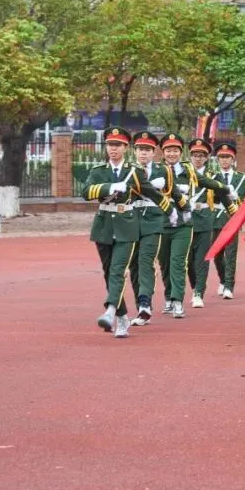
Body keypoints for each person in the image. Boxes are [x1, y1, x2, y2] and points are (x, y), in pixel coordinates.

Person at [81, 127, 175, 339]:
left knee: (118, 270)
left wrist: (172, 211)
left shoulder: (134, 172)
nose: (112, 149)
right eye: (109, 145)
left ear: (125, 148)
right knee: (108, 273)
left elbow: (152, 193)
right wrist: (109, 186)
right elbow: (86, 192)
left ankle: (110, 310)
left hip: (128, 226)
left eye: (117, 145)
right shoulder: (98, 171)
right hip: (104, 226)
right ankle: (122, 316)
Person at [158, 133, 233, 317]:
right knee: (166, 263)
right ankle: (170, 297)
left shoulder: (189, 171)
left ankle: (186, 296)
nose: (172, 153)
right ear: (163, 152)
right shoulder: (156, 170)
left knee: (187, 261)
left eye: (175, 150)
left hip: (190, 221)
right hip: (162, 221)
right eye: (168, 150)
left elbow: (207, 183)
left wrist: (225, 189)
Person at [127, 130, 189, 327]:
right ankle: (141, 304)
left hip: (154, 220)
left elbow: (174, 191)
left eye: (147, 150)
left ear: (154, 152)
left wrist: (184, 209)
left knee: (146, 260)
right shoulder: (127, 170)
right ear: (134, 151)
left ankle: (145, 302)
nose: (143, 153)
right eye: (140, 149)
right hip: (129, 220)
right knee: (133, 265)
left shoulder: (164, 171)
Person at [186, 138, 237, 308]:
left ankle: (199, 292)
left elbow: (223, 197)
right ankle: (195, 287)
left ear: (207, 158)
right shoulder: (181, 174)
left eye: (202, 155)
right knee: (188, 260)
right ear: (190, 155)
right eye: (195, 155)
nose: (198, 158)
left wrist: (236, 217)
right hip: (185, 220)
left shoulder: (213, 177)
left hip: (205, 219)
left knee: (203, 258)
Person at [212, 141, 245, 300]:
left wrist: (238, 199)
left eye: (228, 157)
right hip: (215, 218)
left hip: (232, 218)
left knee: (231, 253)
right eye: (222, 157)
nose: (225, 160)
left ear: (233, 159)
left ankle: (229, 286)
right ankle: (222, 278)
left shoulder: (241, 178)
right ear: (217, 159)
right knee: (217, 254)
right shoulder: (212, 177)